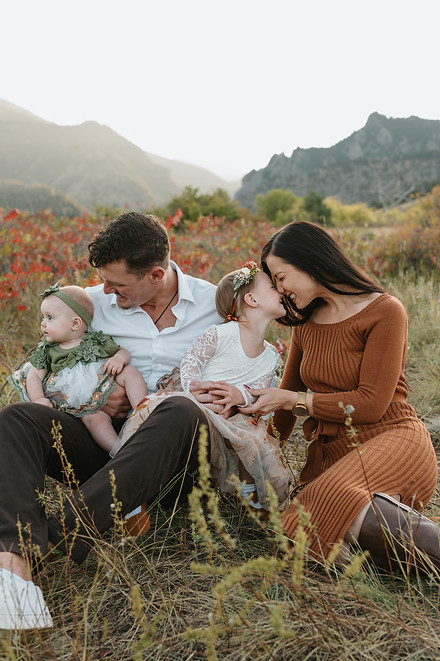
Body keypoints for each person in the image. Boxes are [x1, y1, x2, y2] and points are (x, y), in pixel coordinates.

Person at [0, 212, 221, 631]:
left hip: (175, 459)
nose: (106, 290)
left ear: (156, 274)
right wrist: (93, 396)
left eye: (118, 284)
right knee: (17, 419)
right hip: (104, 443)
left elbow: (248, 369)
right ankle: (14, 560)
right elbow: (46, 363)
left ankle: (59, 534)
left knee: (178, 409)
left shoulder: (214, 306)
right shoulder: (90, 303)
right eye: (104, 280)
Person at [237, 220, 439, 571]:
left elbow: (370, 403)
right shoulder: (306, 324)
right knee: (292, 531)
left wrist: (293, 402)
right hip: (331, 456)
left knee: (322, 506)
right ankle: (367, 550)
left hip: (392, 438)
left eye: (281, 277)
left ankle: (355, 537)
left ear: (310, 261)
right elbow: (287, 396)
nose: (280, 290)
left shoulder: (385, 311)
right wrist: (259, 448)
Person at [117, 261, 292, 510]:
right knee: (158, 421)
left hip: (232, 414)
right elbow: (191, 360)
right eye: (274, 287)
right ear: (252, 300)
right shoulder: (222, 334)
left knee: (256, 440)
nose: (281, 291)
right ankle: (133, 493)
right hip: (197, 403)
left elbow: (258, 390)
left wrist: (239, 396)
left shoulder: (271, 354)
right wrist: (194, 390)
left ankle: (253, 494)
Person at [9, 283, 148, 456]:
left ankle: (143, 412)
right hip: (80, 404)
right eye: (42, 318)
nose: (43, 324)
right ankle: (120, 453)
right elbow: (34, 375)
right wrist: (38, 398)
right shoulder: (48, 349)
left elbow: (122, 351)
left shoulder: (95, 340)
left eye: (49, 318)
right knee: (95, 420)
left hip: (104, 383)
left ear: (75, 323)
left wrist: (119, 359)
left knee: (130, 372)